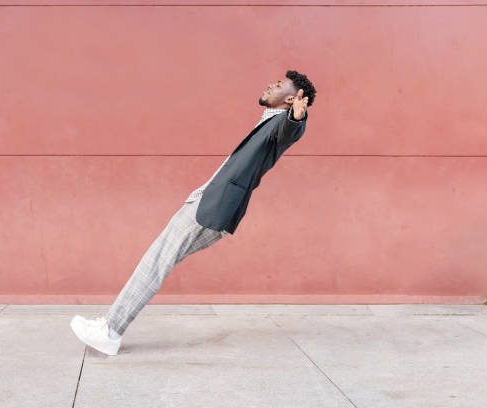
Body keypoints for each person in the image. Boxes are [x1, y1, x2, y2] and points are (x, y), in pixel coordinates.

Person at [70, 70, 317, 355]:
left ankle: (110, 330)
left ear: (290, 98)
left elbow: (290, 130)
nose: (269, 85)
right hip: (206, 203)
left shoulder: (279, 124)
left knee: (155, 263)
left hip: (212, 207)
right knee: (156, 263)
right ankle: (112, 325)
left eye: (277, 85)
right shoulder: (267, 121)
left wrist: (297, 118)